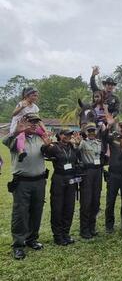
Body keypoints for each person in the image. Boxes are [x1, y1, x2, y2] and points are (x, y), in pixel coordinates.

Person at [3, 114, 49, 260]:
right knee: (20, 214)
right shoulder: (17, 138)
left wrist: (49, 145)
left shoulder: (39, 137)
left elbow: (49, 152)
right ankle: (18, 245)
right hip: (22, 182)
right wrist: (17, 131)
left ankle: (32, 239)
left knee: (37, 210)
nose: (34, 124)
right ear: (24, 123)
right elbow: (5, 141)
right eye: (31, 122)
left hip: (39, 181)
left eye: (36, 122)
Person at [41, 128, 81, 246]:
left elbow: (78, 158)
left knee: (69, 207)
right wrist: (45, 146)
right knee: (57, 208)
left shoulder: (72, 147)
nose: (67, 137)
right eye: (64, 135)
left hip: (71, 179)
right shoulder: (54, 146)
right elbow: (44, 153)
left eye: (69, 135)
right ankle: (58, 236)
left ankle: (66, 233)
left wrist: (78, 145)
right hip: (59, 178)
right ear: (60, 135)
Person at [102, 118, 122, 233]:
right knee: (110, 201)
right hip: (113, 175)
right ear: (119, 128)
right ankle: (109, 225)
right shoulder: (113, 137)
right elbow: (103, 137)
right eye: (121, 127)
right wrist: (108, 126)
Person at [76, 123, 103, 239]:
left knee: (95, 201)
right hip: (87, 172)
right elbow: (76, 151)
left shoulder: (99, 143)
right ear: (86, 133)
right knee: (86, 201)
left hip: (97, 172)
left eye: (93, 131)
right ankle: (84, 229)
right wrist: (76, 143)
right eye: (89, 131)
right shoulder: (83, 143)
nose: (91, 133)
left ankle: (92, 227)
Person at [9, 87, 46, 162]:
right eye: (34, 95)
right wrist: (21, 107)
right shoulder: (22, 103)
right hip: (19, 126)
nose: (36, 97)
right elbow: (13, 114)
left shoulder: (35, 107)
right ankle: (21, 152)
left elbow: (39, 120)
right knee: (21, 135)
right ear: (27, 96)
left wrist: (45, 130)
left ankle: (48, 148)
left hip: (30, 126)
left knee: (43, 133)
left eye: (36, 96)